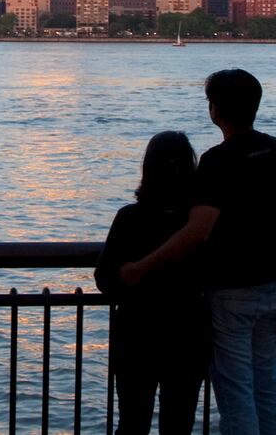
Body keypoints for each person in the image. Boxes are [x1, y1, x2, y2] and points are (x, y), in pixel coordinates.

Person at [120, 69, 276, 435]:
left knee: (236, 394)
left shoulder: (217, 161)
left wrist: (139, 267)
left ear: (214, 110)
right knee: (269, 386)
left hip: (233, 293)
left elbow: (197, 232)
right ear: (255, 106)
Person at [94, 130, 211, 435]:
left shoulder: (130, 218)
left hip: (137, 332)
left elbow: (105, 279)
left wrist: (133, 277)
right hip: (188, 331)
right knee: (179, 423)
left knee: (132, 422)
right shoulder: (200, 223)